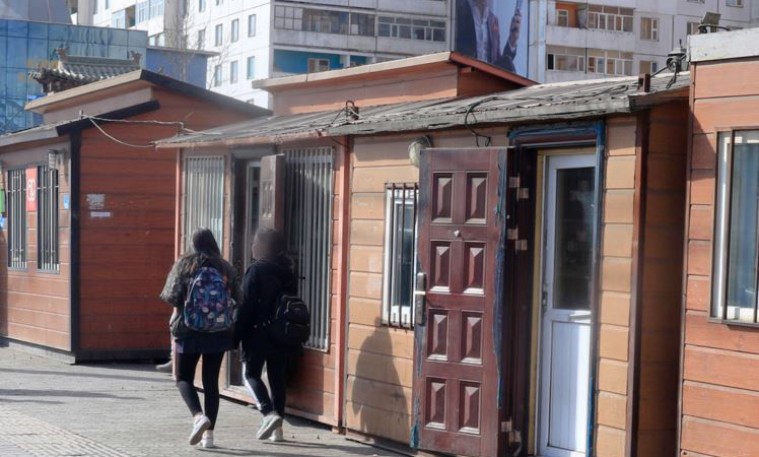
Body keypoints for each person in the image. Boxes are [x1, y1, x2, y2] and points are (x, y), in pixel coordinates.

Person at [160, 228, 240, 449]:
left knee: (183, 377)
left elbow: (171, 296)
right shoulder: (225, 268)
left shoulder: (185, 265)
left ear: (192, 244)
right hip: (219, 331)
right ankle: (209, 437)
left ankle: (198, 416)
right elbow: (238, 298)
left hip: (189, 330)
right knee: (211, 382)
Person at [235, 228, 297, 442]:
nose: (252, 246)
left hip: (257, 333)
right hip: (281, 333)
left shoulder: (255, 271)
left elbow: (244, 306)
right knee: (277, 378)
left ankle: (268, 413)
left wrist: (235, 334)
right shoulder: (287, 271)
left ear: (264, 247)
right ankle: (278, 431)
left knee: (250, 374)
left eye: (255, 242)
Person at [455, 0, 522, 72]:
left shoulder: (493, 20)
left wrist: (512, 39)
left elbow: (497, 61)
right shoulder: (460, 11)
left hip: (487, 76)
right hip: (466, 74)